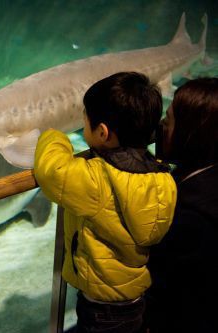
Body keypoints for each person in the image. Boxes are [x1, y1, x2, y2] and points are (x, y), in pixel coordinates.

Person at [34, 72, 177, 332]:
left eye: (84, 121)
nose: (82, 125)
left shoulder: (97, 181)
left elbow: (52, 171)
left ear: (102, 133)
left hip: (101, 307)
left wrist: (53, 135)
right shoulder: (162, 176)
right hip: (134, 298)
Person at [146, 77, 218, 332]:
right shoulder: (204, 172)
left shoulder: (194, 214)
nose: (161, 128)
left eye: (168, 121)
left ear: (191, 134)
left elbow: (172, 290)